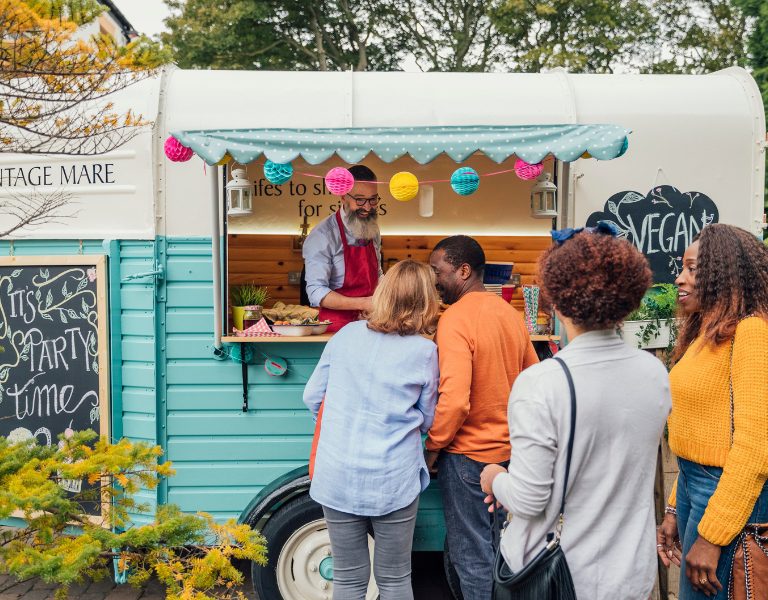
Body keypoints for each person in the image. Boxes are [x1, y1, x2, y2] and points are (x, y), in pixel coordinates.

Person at [479, 223, 671, 600]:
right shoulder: (655, 373)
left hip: (561, 576)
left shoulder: (541, 383)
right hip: (631, 572)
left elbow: (530, 500)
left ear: (559, 301)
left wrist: (495, 479)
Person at [303, 259, 440, 600]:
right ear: (426, 302)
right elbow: (428, 418)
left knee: (348, 581)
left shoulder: (346, 335)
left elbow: (311, 396)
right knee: (394, 579)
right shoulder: (425, 352)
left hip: (336, 473)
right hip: (393, 477)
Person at [657, 223, 768, 600]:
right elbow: (698, 434)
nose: (679, 278)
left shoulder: (752, 332)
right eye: (682, 267)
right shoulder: (707, 333)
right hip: (694, 487)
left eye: (692, 269)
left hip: (728, 496)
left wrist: (712, 535)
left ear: (725, 274)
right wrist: (674, 505)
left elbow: (756, 448)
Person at [425, 235, 539, 600]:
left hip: (467, 458)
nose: (434, 279)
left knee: (471, 557)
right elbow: (532, 383)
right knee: (501, 552)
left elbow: (455, 401)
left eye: (437, 271)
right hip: (509, 457)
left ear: (463, 270)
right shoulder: (510, 315)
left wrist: (432, 446)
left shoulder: (454, 320)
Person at [302, 164, 382, 332]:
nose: (367, 207)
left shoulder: (372, 228)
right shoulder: (323, 235)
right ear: (344, 196)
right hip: (336, 330)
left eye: (373, 199)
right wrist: (365, 304)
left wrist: (388, 295)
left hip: (373, 323)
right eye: (360, 199)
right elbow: (316, 291)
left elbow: (378, 274)